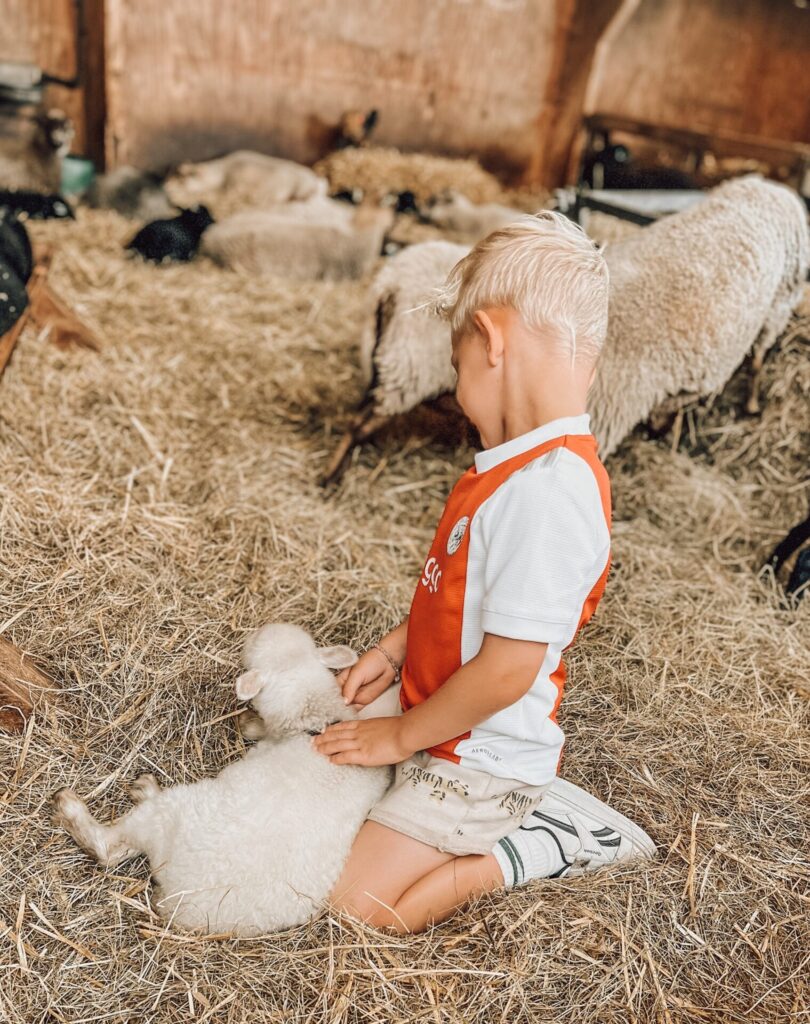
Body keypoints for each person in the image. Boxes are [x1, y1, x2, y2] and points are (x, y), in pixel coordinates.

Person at [312, 213, 654, 933]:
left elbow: (506, 671)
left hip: (477, 764)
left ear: (491, 342)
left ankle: (535, 843)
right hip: (442, 727)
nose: (455, 380)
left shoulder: (551, 493)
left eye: (455, 359)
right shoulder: (514, 469)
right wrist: (392, 650)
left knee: (356, 909)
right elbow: (462, 593)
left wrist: (398, 739)